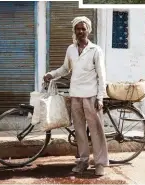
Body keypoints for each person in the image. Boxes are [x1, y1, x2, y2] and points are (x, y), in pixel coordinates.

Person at [43, 16, 109, 176]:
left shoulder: (95, 50)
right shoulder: (71, 49)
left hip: (92, 96)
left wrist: (100, 97)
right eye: (77, 28)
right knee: (79, 131)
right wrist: (51, 74)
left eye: (83, 28)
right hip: (75, 96)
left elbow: (102, 75)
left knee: (96, 131)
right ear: (74, 31)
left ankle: (100, 163)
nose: (80, 31)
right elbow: (65, 69)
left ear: (88, 30)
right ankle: (83, 161)